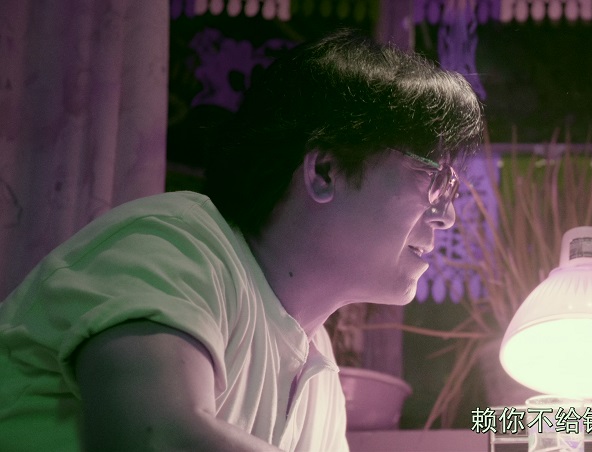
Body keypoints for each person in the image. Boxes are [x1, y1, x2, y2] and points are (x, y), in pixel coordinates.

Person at [0, 28, 484, 451]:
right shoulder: (177, 245)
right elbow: (156, 438)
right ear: (325, 171)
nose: (446, 216)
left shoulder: (318, 374)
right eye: (434, 179)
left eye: (453, 189)